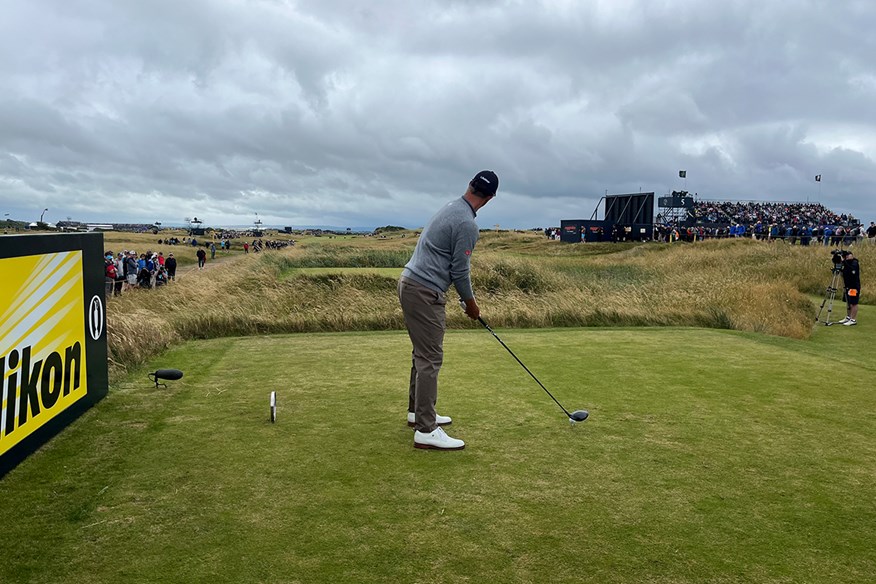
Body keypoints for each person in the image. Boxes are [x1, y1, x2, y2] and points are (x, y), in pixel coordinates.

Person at [398, 170, 498, 451]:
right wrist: (472, 305)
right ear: (490, 198)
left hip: (411, 283)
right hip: (424, 290)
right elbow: (459, 270)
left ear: (470, 186)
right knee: (430, 357)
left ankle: (417, 413)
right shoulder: (467, 223)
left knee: (422, 353)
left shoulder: (452, 207)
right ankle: (426, 429)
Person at [839, 250, 861, 326]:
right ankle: (848, 317)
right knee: (848, 302)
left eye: (849, 255)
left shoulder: (854, 262)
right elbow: (843, 273)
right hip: (847, 286)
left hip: (853, 286)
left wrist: (844, 262)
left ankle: (853, 319)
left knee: (853, 303)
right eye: (846, 255)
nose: (847, 256)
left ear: (852, 255)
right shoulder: (846, 263)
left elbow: (852, 270)